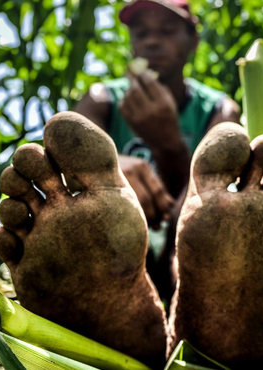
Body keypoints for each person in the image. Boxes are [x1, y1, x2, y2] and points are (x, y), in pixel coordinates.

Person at [74, 0, 240, 299]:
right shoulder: (102, 100)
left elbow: (210, 203)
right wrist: (105, 169)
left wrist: (169, 144)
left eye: (167, 31)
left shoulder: (219, 111)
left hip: (183, 253)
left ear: (193, 42)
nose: (152, 41)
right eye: (141, 33)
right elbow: (64, 153)